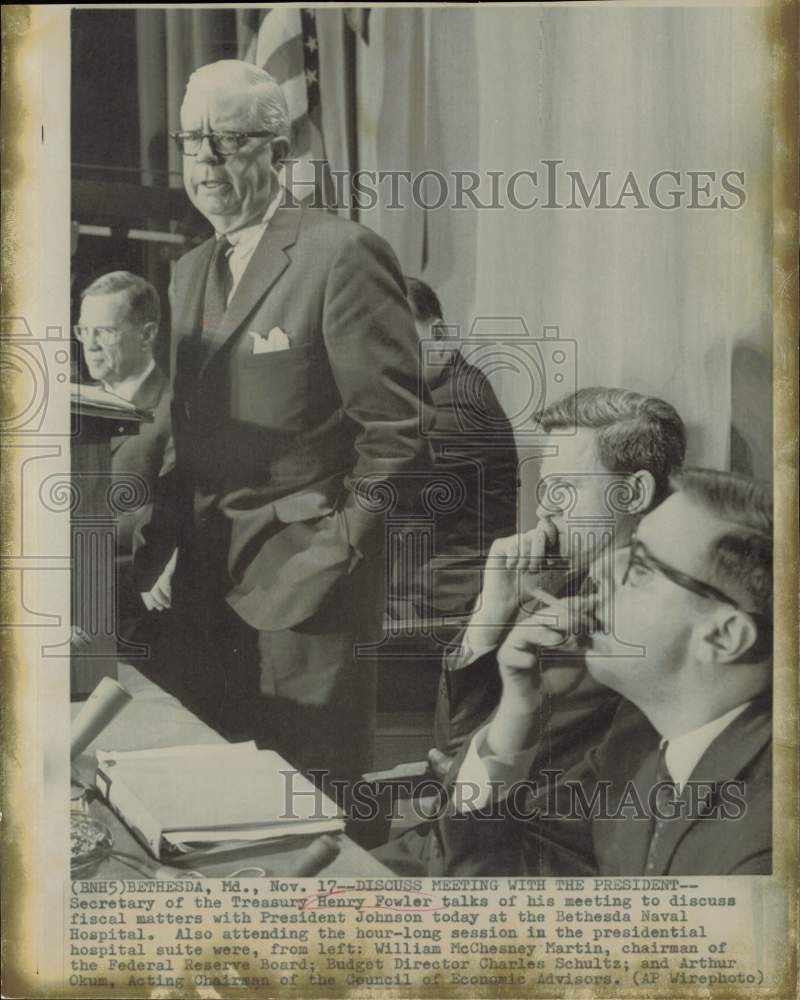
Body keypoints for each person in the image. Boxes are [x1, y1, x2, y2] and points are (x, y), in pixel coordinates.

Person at [137, 60, 433, 793]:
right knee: (218, 808)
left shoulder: (339, 253)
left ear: (279, 151)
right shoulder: (190, 269)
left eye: (228, 140)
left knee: (312, 808)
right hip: (204, 594)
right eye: (190, 141)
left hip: (307, 600)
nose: (204, 163)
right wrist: (163, 550)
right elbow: (187, 435)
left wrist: (331, 554)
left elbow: (397, 434)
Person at [430, 468, 772, 876]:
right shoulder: (635, 743)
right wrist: (520, 712)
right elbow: (495, 889)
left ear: (724, 636)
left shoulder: (771, 836)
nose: (602, 569)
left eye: (641, 568)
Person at [434, 386, 687, 756]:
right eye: (545, 488)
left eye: (565, 489)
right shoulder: (564, 587)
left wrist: (459, 769)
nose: (544, 511)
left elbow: (472, 770)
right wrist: (491, 611)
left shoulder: (641, 624)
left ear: (633, 493)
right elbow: (456, 748)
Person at [388, 277, 519, 623]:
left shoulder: (461, 405)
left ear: (440, 336)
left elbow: (380, 486)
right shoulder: (432, 394)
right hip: (421, 591)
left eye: (400, 344)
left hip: (449, 606)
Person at [75, 271, 173, 640]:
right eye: (84, 331)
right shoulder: (75, 402)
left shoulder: (174, 411)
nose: (91, 345)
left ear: (147, 334)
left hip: (131, 609)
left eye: (105, 331)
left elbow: (172, 519)